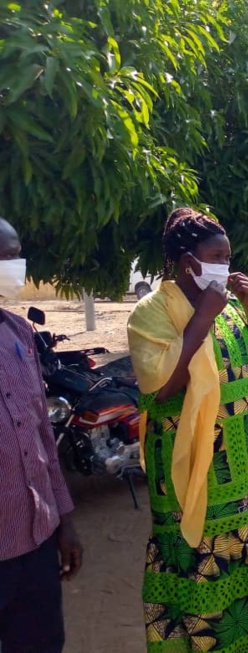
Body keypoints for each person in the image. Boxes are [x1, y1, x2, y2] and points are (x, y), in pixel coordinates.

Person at [127, 208, 248, 651]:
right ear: (188, 261)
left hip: (247, 465)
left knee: (246, 561)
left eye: (228, 256)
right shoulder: (153, 312)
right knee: (204, 565)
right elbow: (162, 386)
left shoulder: (226, 305)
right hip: (196, 468)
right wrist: (202, 316)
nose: (226, 265)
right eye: (216, 256)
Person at [0, 217, 83, 653]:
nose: (16, 267)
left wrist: (65, 522)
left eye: (16, 256)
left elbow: (42, 440)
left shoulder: (18, 333)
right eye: (7, 257)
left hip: (35, 545)